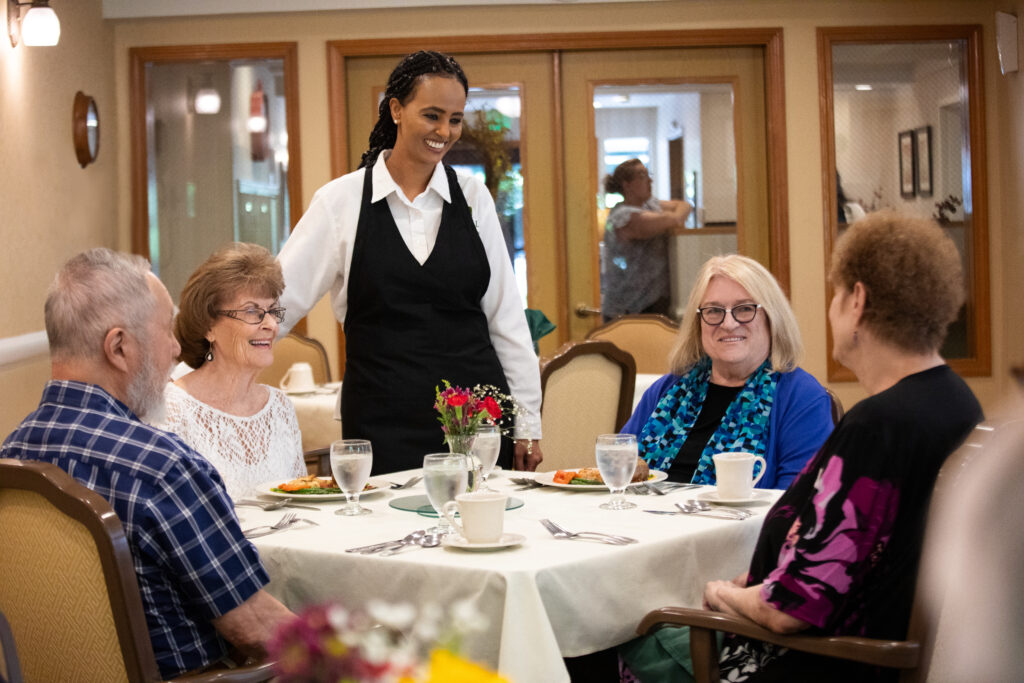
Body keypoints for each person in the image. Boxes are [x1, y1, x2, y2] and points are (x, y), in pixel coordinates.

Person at [622, 212, 984, 682]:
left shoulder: (878, 427)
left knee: (603, 639)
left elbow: (791, 609)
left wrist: (723, 593)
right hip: (860, 646)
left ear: (857, 301)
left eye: (834, 293)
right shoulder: (955, 401)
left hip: (809, 659)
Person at [0, 248, 294, 679]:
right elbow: (259, 630)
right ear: (119, 347)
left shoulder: (10, 459)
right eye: (165, 332)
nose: (177, 349)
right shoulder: (162, 469)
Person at [276, 50, 542, 475]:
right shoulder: (340, 201)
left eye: (455, 119)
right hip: (381, 423)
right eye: (432, 115)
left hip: (475, 422)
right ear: (396, 110)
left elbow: (505, 317)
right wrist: (209, 364)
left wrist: (528, 421)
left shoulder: (473, 197)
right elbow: (279, 302)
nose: (444, 131)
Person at [622, 254, 833, 489]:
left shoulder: (802, 398)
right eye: (714, 311)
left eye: (744, 309)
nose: (728, 323)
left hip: (746, 527)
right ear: (698, 322)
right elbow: (618, 473)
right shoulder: (667, 389)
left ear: (772, 318)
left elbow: (797, 505)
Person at [152, 243, 307, 500]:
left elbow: (302, 501)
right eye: (252, 312)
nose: (270, 325)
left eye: (272, 311)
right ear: (208, 326)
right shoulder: (171, 412)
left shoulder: (280, 408)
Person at [600, 159, 692, 320]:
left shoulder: (650, 205)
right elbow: (673, 219)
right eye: (642, 176)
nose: (650, 180)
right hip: (628, 310)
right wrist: (675, 218)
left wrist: (674, 216)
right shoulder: (623, 216)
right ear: (626, 185)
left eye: (648, 175)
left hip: (653, 304)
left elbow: (684, 205)